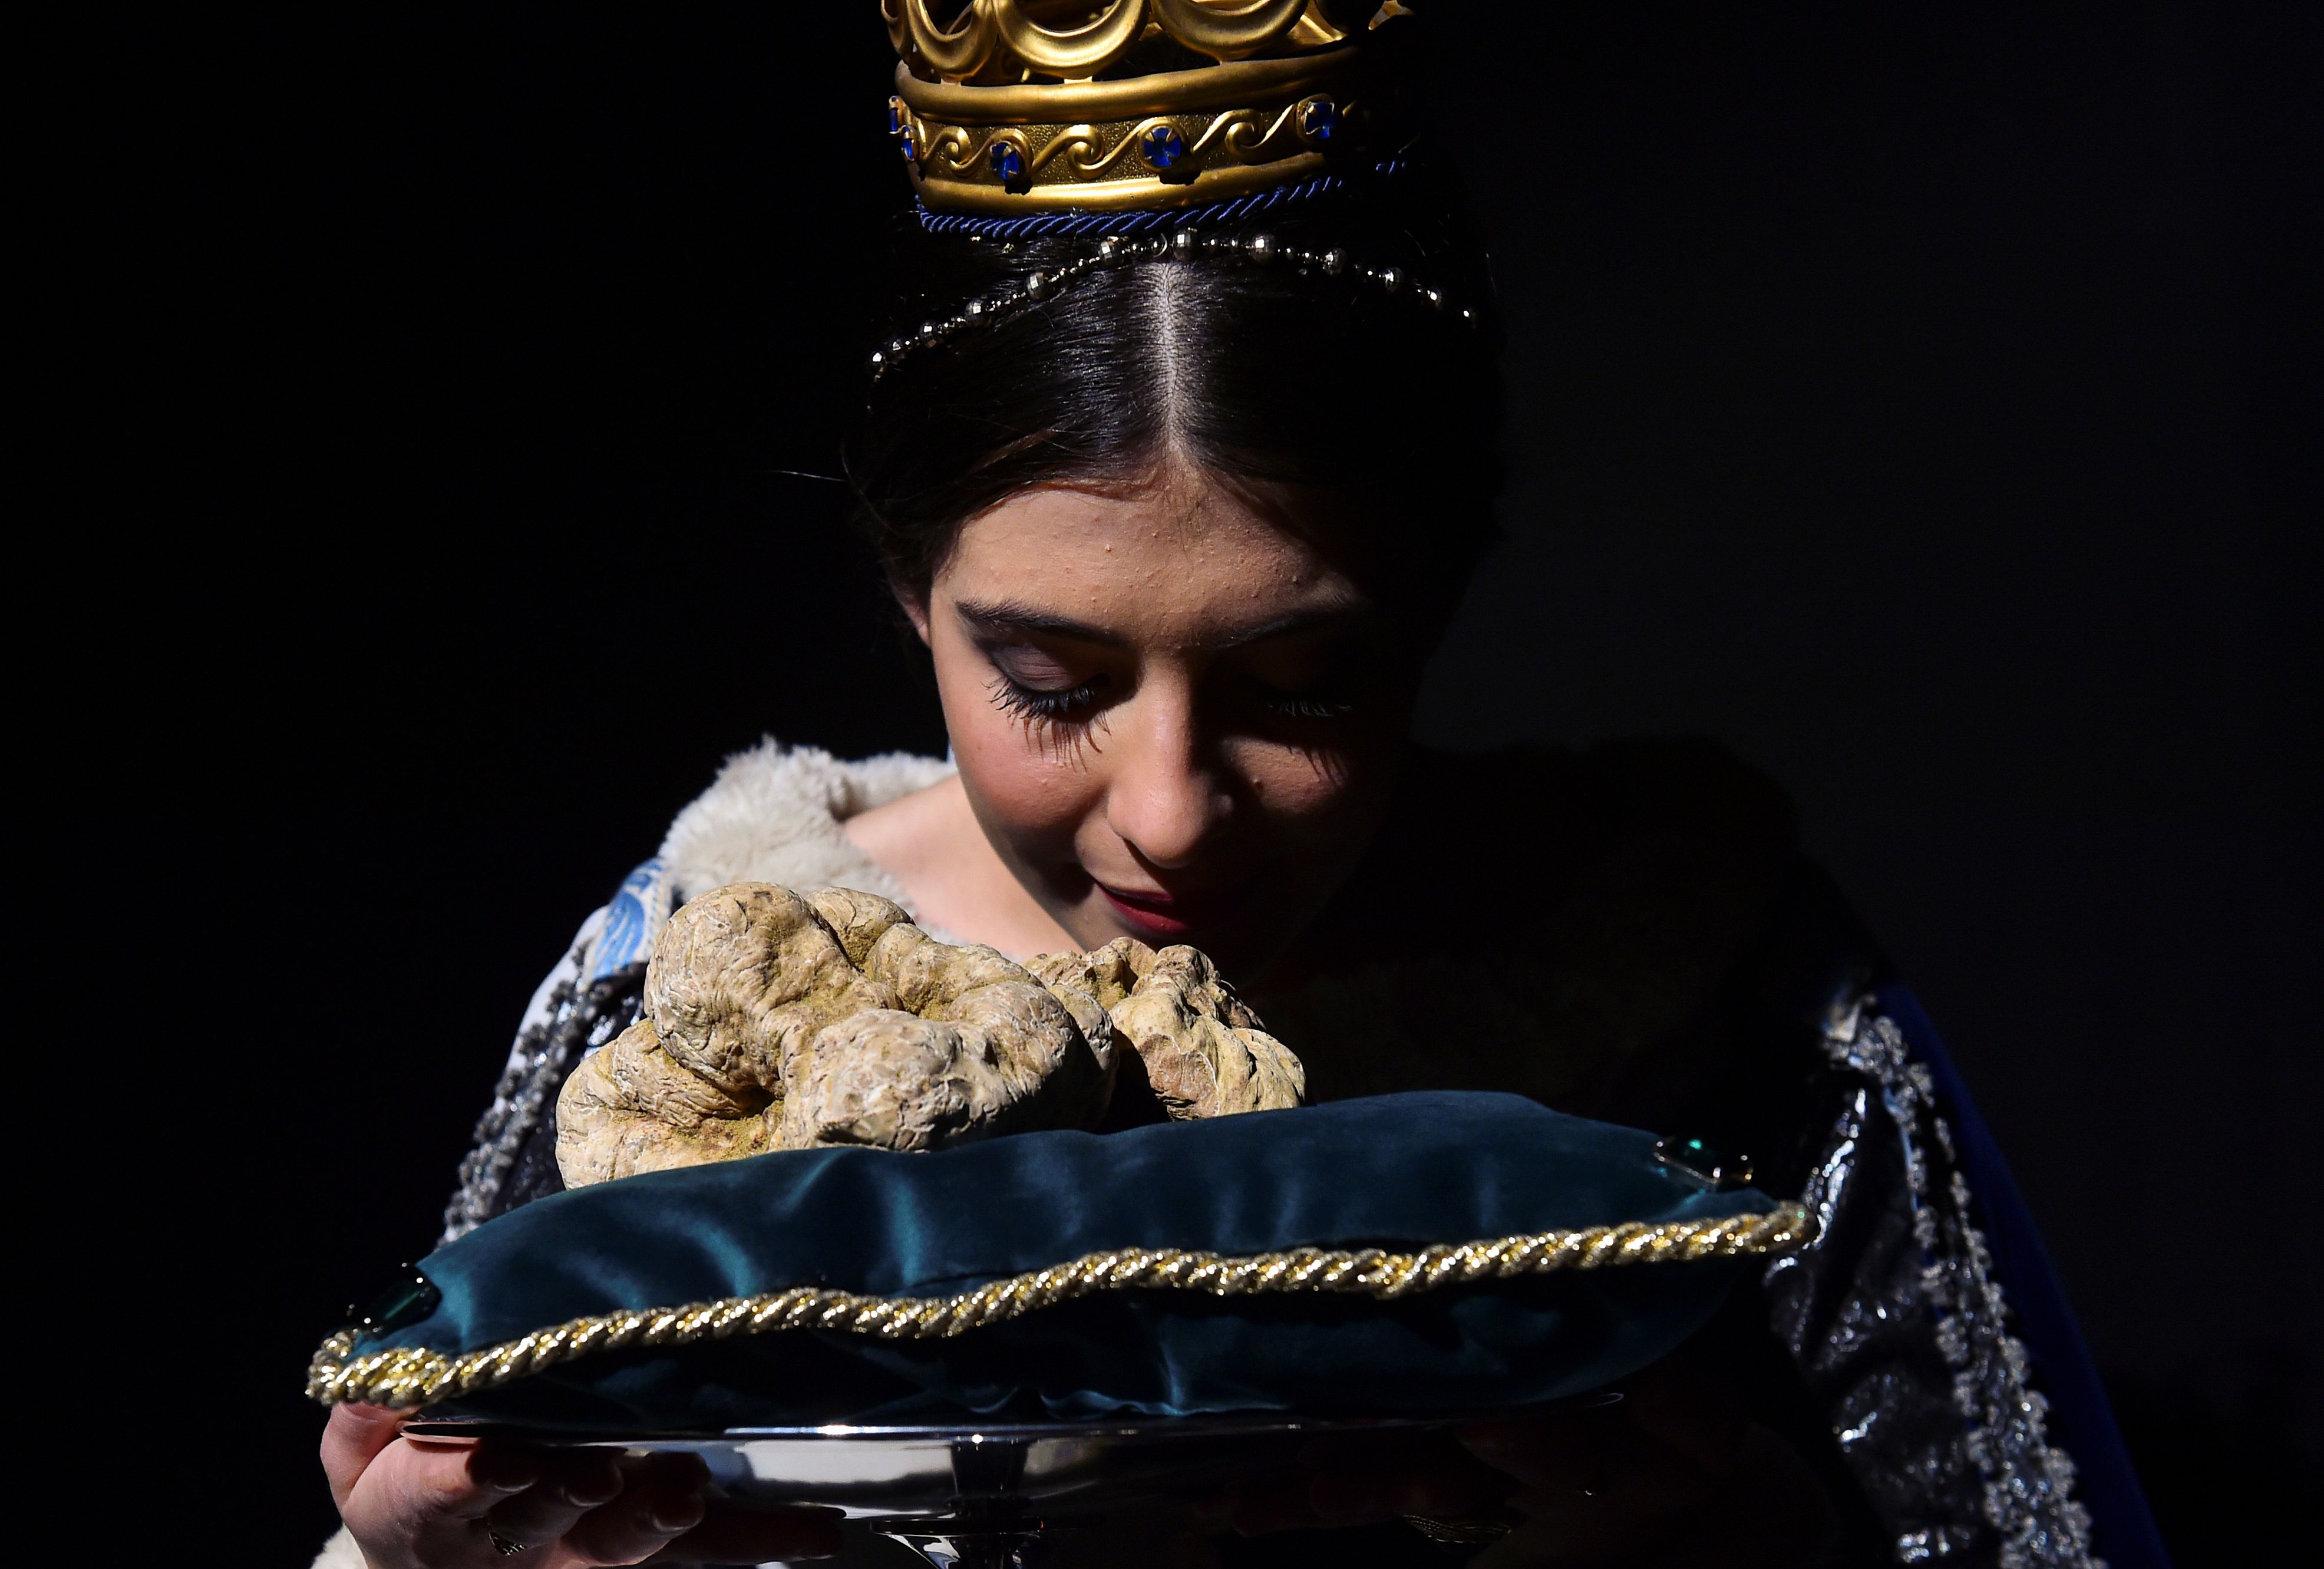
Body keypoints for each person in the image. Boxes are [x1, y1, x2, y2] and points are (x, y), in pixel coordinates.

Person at [318, 6, 2163, 1567]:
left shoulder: (1708, 1004)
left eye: (1306, 687)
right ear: (908, 597)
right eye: (1050, 685)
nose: (1175, 810)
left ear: (1439, 601)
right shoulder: (702, 978)